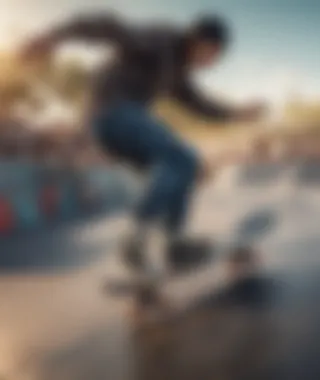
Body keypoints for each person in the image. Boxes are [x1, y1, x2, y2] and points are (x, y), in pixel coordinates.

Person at [21, 13, 267, 272]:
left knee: (183, 170)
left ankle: (175, 245)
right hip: (113, 112)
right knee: (182, 159)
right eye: (214, 54)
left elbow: (199, 104)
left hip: (113, 127)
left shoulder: (177, 72)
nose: (212, 63)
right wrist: (54, 37)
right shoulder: (162, 40)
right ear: (202, 41)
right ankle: (137, 237)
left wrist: (237, 114)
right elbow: (109, 27)